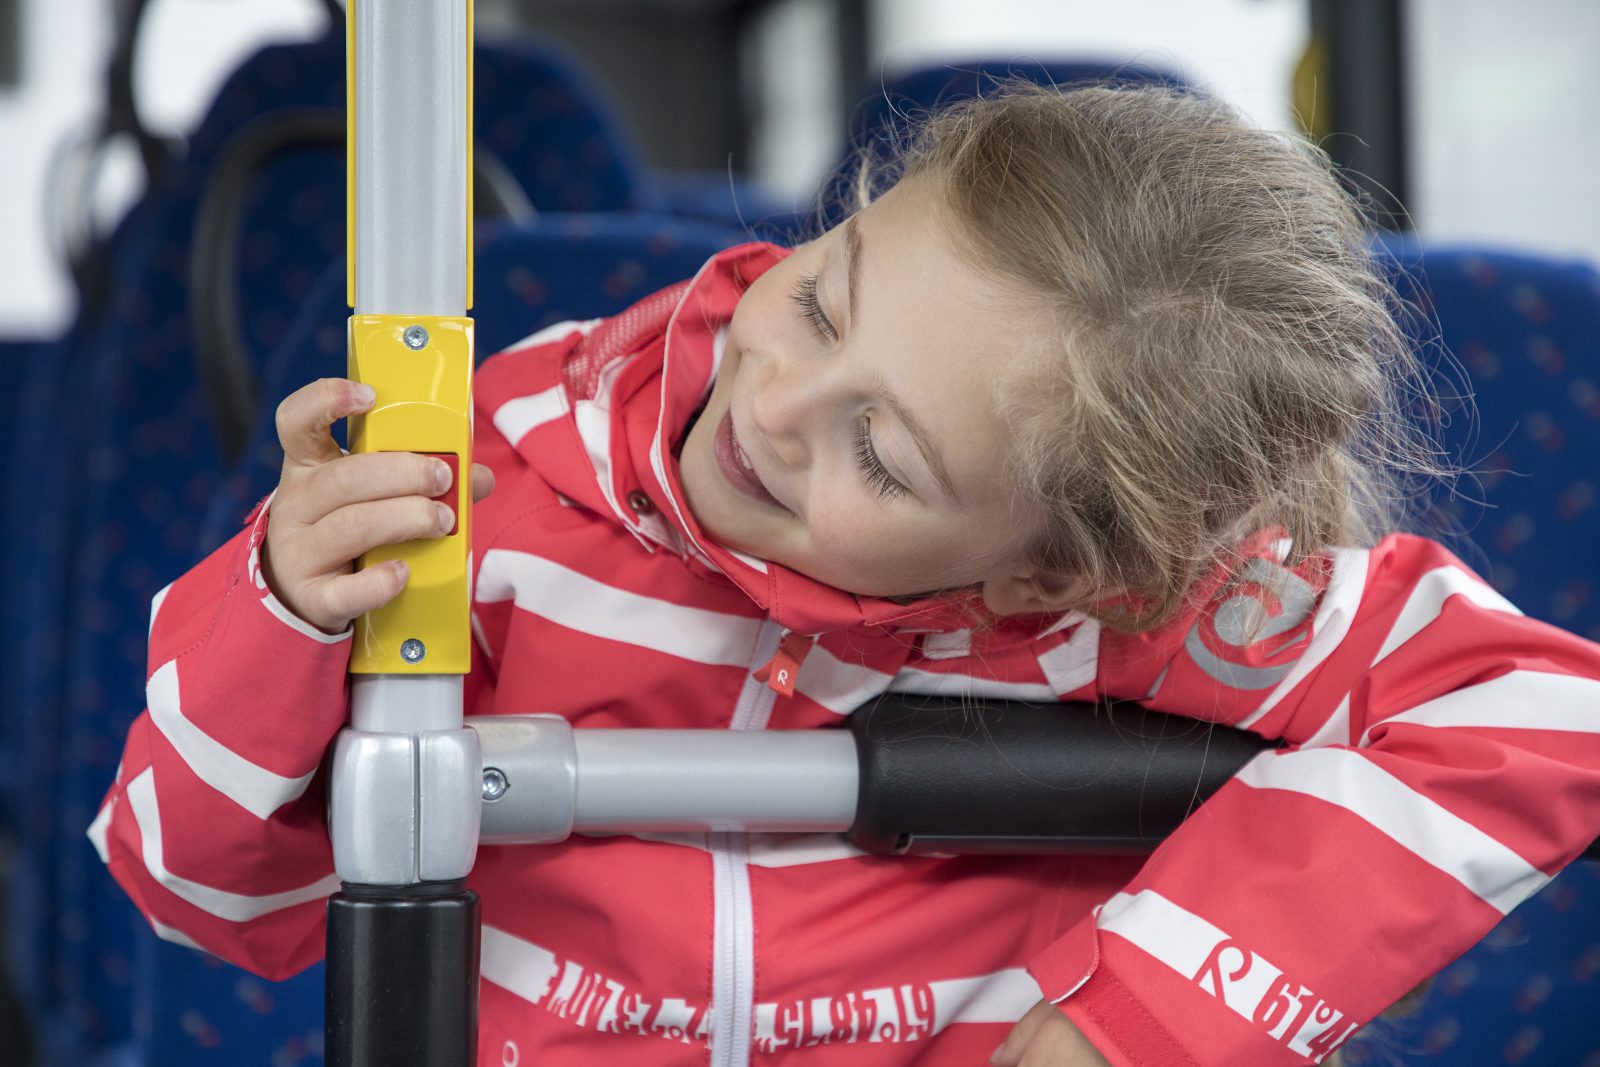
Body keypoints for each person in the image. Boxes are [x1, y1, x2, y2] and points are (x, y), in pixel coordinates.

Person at [92, 80, 1600, 1066]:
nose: (766, 412)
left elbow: (1537, 711)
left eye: (885, 459)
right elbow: (192, 889)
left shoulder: (1129, 610)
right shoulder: (479, 497)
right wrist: (286, 611)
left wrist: (1130, 1022)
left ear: (1047, 573)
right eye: (820, 302)